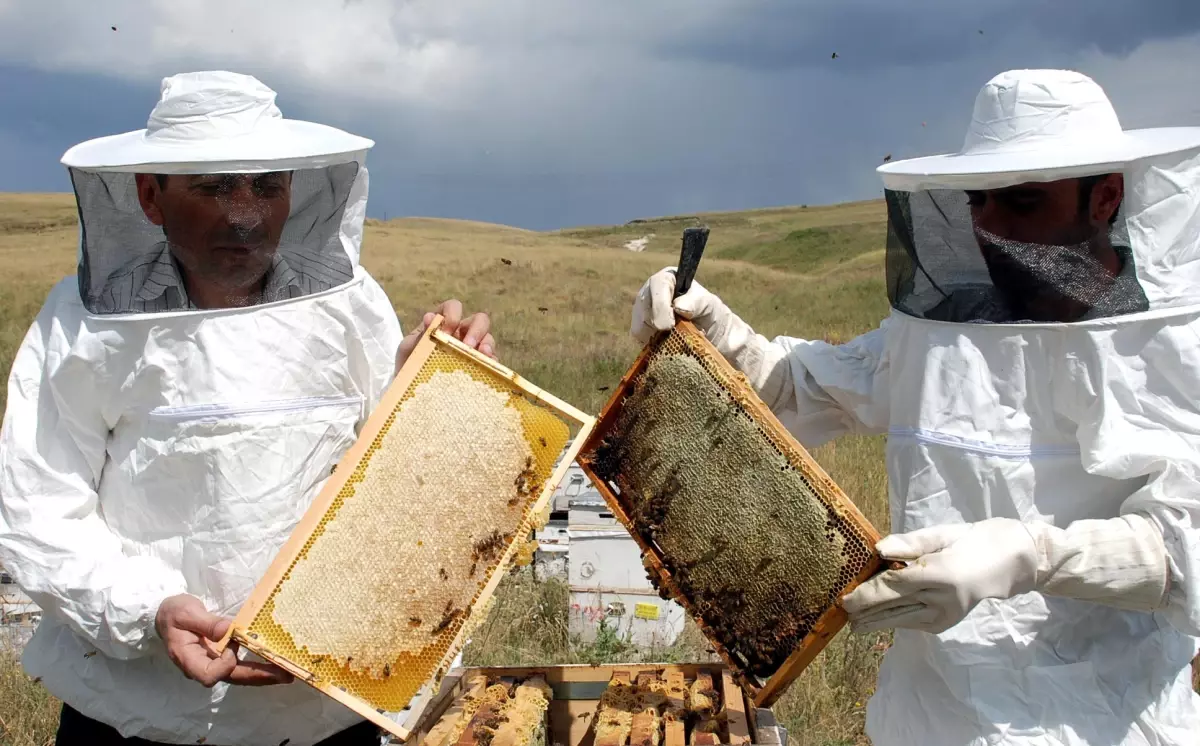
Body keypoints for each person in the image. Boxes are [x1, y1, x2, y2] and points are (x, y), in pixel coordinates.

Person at [631, 68, 1200, 745]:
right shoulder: (938, 331)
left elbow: (1185, 543)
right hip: (928, 722)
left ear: (1105, 198)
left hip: (1099, 723)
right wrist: (718, 333)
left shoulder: (1167, 349)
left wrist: (1030, 556)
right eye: (977, 199)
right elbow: (798, 390)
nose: (987, 226)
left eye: (1020, 202)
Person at [0, 71, 494, 746]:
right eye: (213, 186)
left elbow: (387, 482)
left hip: (324, 707)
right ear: (150, 195)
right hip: (138, 716)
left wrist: (425, 385)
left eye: (267, 185)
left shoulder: (346, 305)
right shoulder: (81, 325)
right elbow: (38, 509)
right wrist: (150, 611)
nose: (245, 213)